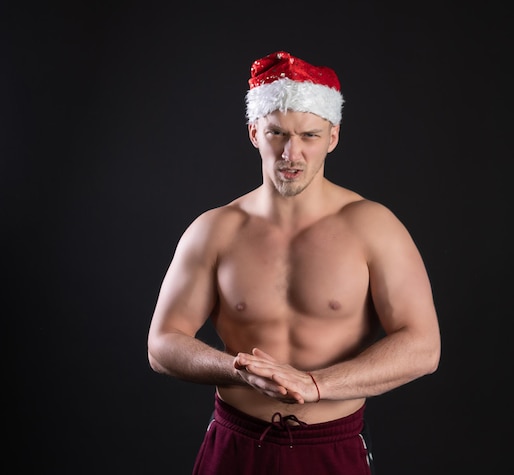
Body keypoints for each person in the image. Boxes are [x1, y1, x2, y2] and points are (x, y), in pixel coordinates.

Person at [147, 50, 441, 475]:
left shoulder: (373, 227)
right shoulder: (215, 230)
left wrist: (316, 384)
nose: (291, 154)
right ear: (253, 132)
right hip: (237, 444)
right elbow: (162, 344)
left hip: (331, 446)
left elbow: (423, 346)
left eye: (309, 136)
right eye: (277, 134)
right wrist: (237, 370)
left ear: (333, 137)